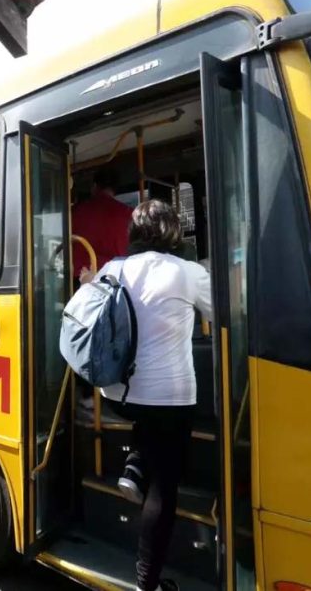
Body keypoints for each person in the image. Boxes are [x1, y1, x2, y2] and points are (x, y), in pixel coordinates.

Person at [97, 200, 212, 591]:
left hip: (116, 393)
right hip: (170, 397)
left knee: (146, 415)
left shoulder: (112, 268)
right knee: (165, 487)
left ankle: (135, 462)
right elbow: (229, 310)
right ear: (173, 233)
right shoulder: (188, 273)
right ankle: (148, 583)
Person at [71, 167, 134, 284]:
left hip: (80, 277)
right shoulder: (128, 213)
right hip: (115, 278)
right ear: (115, 189)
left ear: (94, 186)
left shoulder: (76, 211)